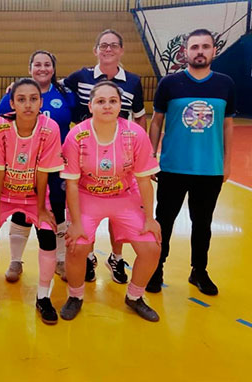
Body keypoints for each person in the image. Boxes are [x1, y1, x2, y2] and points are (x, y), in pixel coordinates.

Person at [60, 81, 161, 322]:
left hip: (124, 197)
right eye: (101, 101)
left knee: (151, 247)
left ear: (120, 105)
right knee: (77, 246)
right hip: (87, 196)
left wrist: (150, 218)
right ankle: (75, 296)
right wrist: (74, 223)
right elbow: (72, 184)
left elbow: (144, 180)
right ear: (90, 105)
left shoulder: (135, 133)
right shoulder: (77, 135)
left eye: (113, 101)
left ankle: (135, 297)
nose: (107, 106)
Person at [146, 29, 235, 295]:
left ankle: (199, 271)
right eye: (194, 46)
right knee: (164, 221)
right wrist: (151, 156)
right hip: (172, 167)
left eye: (205, 46)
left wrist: (227, 162)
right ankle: (156, 267)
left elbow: (228, 126)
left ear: (213, 51)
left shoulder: (225, 83)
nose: (199, 51)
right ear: (185, 51)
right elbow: (156, 121)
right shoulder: (170, 83)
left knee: (202, 222)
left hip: (209, 169)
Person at [63, 29, 147, 285]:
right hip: (86, 154)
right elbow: (52, 90)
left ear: (121, 50)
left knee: (119, 206)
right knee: (87, 210)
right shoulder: (80, 76)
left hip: (121, 153)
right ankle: (87, 259)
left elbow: (140, 114)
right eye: (103, 45)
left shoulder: (132, 81)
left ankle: (116, 257)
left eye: (113, 45)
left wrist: (143, 150)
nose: (108, 49)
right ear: (95, 50)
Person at [0, 78, 64, 325]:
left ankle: (43, 297)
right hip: (1, 194)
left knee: (48, 235)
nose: (28, 104)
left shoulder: (51, 128)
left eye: (33, 99)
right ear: (12, 102)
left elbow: (43, 171)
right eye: (21, 99)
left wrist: (40, 209)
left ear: (41, 102)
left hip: (33, 195)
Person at [0, 50, 76, 283]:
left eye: (47, 64)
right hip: (23, 163)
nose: (42, 68)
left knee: (58, 210)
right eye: (37, 64)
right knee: (22, 209)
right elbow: (2, 124)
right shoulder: (16, 92)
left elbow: (80, 119)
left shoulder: (64, 93)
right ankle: (15, 260)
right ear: (30, 68)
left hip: (57, 164)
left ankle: (60, 259)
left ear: (53, 68)